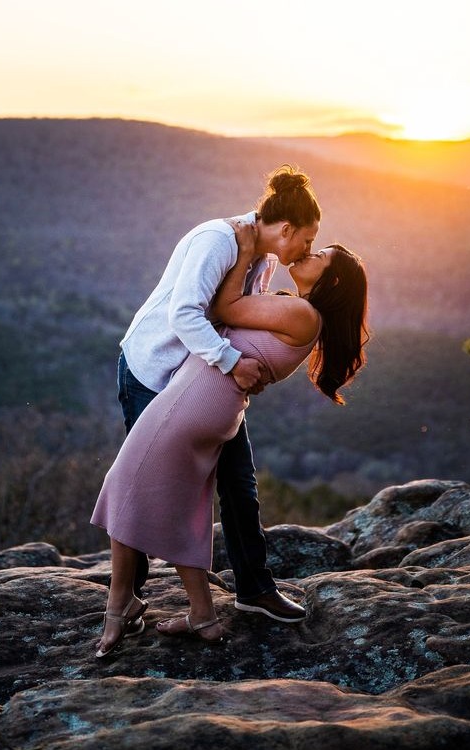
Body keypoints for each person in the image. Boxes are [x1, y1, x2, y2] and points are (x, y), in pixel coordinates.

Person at [91, 223, 369, 655]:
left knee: (129, 487)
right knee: (183, 495)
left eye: (318, 255)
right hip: (207, 400)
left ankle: (121, 604)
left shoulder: (301, 314)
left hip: (194, 402)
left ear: (330, 281)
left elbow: (222, 306)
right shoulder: (298, 312)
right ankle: (199, 610)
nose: (307, 254)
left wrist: (242, 254)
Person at [109, 166, 321, 632]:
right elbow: (186, 314)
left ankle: (255, 589)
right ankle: (130, 597)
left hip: (202, 382)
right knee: (150, 482)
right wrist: (231, 361)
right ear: (285, 229)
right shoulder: (217, 241)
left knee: (239, 482)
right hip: (154, 372)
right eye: (305, 241)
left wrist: (252, 364)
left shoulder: (259, 258)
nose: (306, 250)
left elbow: (238, 319)